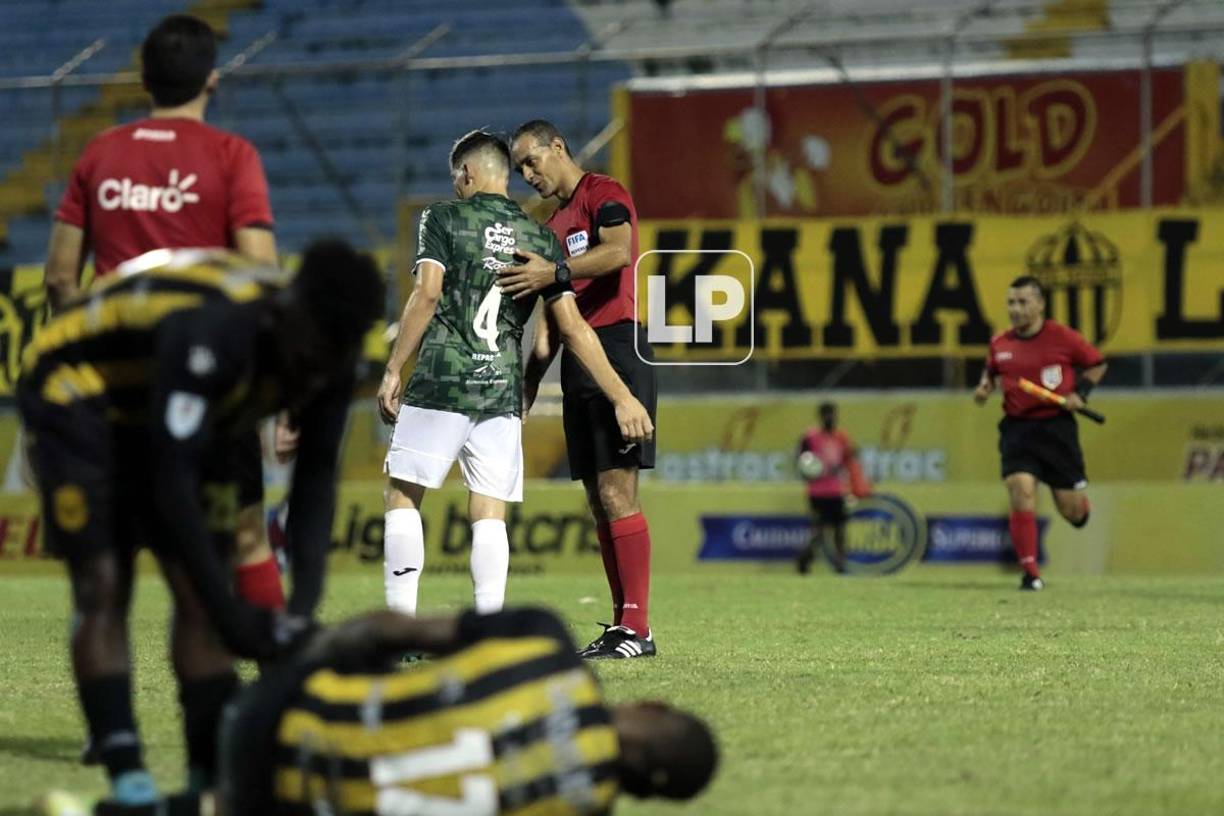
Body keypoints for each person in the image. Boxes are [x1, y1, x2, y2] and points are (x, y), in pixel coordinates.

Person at [18, 242, 384, 807]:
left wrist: (300, 612)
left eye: (325, 362)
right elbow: (172, 483)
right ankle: (129, 782)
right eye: (307, 356)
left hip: (183, 399)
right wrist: (231, 614)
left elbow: (314, 485)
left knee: (201, 598)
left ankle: (207, 783)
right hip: (79, 391)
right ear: (286, 312)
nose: (309, 376)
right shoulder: (217, 330)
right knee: (105, 580)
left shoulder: (331, 356)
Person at [44, 14, 287, 640]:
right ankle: (275, 678)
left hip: (114, 388)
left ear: (143, 78)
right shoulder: (231, 156)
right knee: (243, 536)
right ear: (213, 80)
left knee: (108, 557)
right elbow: (261, 276)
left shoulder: (100, 153)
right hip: (206, 383)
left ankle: (111, 707)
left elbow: (61, 280)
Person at [377, 130, 653, 620]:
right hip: (501, 387)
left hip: (443, 378)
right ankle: (490, 628)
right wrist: (615, 394)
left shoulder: (443, 217)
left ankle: (398, 625)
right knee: (490, 510)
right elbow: (569, 327)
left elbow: (427, 293)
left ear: (466, 173)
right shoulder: (540, 237)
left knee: (403, 494)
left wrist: (395, 366)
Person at [217, 607, 718, 816]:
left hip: (276, 719)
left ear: (653, 705)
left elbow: (391, 630)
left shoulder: (545, 642)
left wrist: (297, 661)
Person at [503, 120, 659, 660]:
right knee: (598, 500)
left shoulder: (603, 193)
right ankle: (622, 625)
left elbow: (619, 252)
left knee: (618, 493)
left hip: (617, 345)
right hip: (578, 358)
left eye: (532, 161)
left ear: (558, 147)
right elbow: (550, 324)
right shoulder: (551, 226)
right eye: (520, 169)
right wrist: (528, 384)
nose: (528, 175)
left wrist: (556, 271)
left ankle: (637, 629)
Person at [973, 275, 1107, 591]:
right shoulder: (1000, 343)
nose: (1015, 309)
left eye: (1023, 302)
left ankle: (1080, 508)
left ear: (1040, 304)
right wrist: (984, 387)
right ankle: (1030, 574)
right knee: (1021, 490)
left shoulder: (1063, 337)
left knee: (1072, 512)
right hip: (1018, 429)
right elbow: (991, 372)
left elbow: (1097, 364)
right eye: (1011, 302)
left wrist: (1080, 393)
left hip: (1056, 428)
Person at [795, 401, 869, 574]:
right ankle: (805, 559)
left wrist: (853, 460)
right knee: (819, 531)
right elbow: (800, 462)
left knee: (840, 530)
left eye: (832, 414)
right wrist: (811, 473)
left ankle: (840, 565)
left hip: (837, 491)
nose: (830, 418)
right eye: (826, 414)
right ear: (820, 416)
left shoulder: (841, 437)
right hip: (818, 492)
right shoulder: (810, 437)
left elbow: (849, 458)